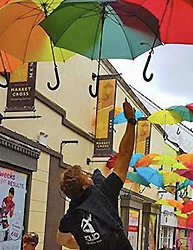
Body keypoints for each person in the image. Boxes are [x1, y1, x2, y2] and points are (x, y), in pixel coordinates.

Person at [56, 99, 136, 249]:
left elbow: (62, 241)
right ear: (86, 184)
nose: (90, 176)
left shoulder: (70, 217)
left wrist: (82, 244)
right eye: (86, 175)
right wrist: (131, 121)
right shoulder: (104, 192)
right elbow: (124, 154)